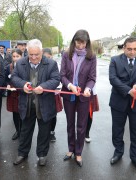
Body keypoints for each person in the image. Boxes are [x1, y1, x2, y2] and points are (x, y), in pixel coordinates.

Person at [11, 39, 60, 166]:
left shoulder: (51, 63)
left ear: (41, 52)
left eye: (36, 55)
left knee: (44, 131)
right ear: (27, 51)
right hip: (26, 104)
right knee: (25, 130)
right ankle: (22, 153)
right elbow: (14, 77)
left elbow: (56, 80)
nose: (33, 57)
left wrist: (43, 87)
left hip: (44, 104)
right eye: (30, 54)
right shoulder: (20, 62)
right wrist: (23, 85)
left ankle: (42, 155)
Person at [109, 37, 136, 171]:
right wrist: (128, 91)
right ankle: (118, 152)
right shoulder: (115, 60)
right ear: (124, 48)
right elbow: (113, 79)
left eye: (135, 49)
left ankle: (135, 157)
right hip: (118, 101)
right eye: (129, 49)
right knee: (117, 130)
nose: (132, 52)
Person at [60, 29, 96, 167]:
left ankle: (79, 152)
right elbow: (62, 75)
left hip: (83, 96)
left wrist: (88, 88)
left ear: (87, 43)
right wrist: (70, 86)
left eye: (83, 43)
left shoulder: (91, 57)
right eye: (78, 42)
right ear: (74, 41)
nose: (80, 45)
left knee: (81, 126)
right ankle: (70, 149)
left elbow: (92, 78)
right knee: (70, 124)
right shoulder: (66, 55)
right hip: (69, 94)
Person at [6, 48, 22, 140]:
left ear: (21, 56)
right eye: (14, 56)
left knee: (22, 113)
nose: (15, 58)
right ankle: (17, 131)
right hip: (12, 94)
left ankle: (23, 131)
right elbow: (6, 79)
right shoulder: (9, 67)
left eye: (17, 56)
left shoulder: (25, 66)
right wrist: (8, 85)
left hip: (22, 93)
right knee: (15, 113)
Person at [43, 48, 57, 142]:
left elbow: (56, 79)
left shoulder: (54, 65)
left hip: (53, 93)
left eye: (49, 57)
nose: (47, 59)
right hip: (43, 93)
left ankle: (52, 131)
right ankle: (45, 132)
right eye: (45, 57)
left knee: (53, 114)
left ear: (51, 56)